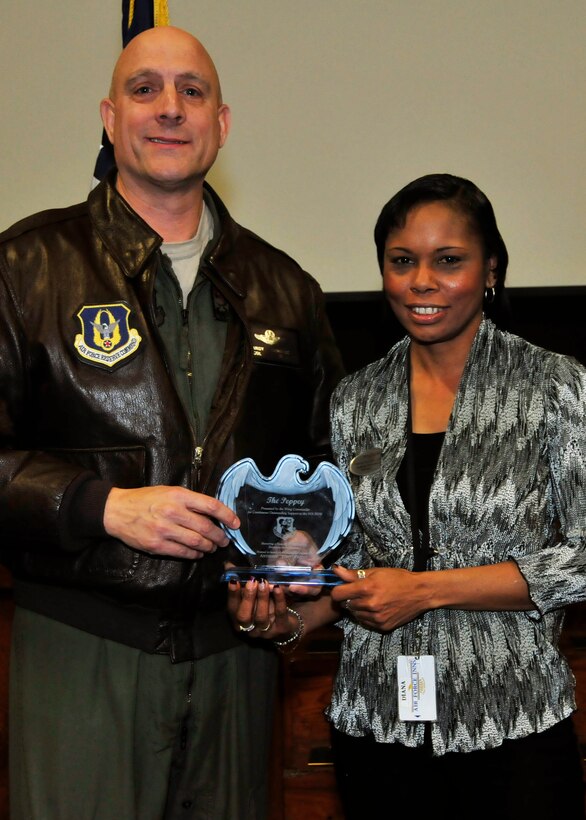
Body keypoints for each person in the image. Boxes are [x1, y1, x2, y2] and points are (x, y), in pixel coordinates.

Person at [0, 26, 343, 820]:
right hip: (83, 651)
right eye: (145, 89)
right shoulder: (24, 270)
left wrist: (292, 578)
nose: (169, 110)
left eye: (192, 92)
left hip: (237, 657)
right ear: (109, 118)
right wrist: (103, 505)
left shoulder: (285, 289)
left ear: (221, 125)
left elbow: (328, 466)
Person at [229, 173, 586, 819]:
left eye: (448, 261)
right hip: (377, 725)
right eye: (402, 262)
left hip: (513, 724)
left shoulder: (556, 387)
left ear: (491, 270)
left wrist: (424, 589)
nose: (421, 281)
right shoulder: (356, 399)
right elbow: (356, 570)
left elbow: (583, 560)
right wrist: (287, 620)